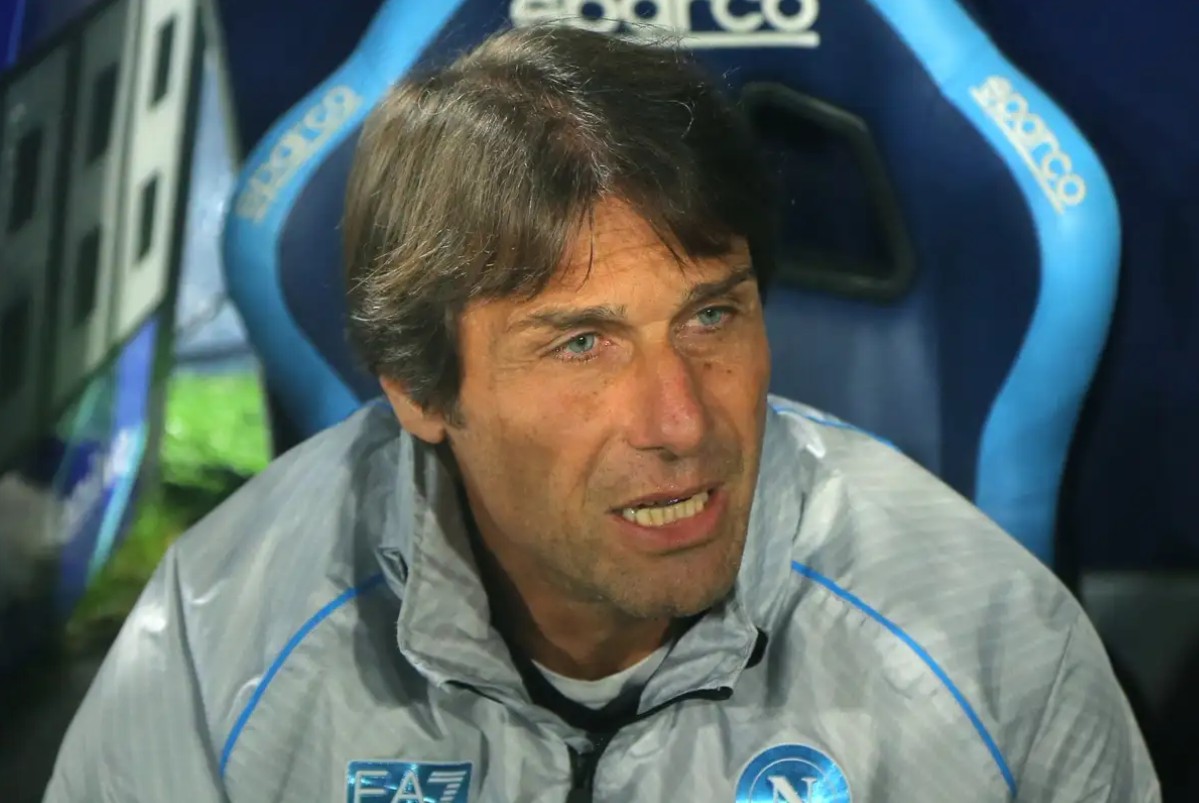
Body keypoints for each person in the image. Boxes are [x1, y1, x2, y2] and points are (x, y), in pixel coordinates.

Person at [44, 25, 1158, 803]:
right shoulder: (218, 638)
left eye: (710, 316)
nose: (680, 421)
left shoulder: (992, 643)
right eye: (581, 344)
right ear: (420, 389)